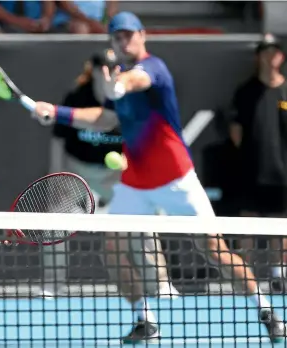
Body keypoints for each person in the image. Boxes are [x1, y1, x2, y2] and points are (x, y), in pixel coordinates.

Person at [32, 11, 287, 343]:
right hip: (135, 182)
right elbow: (105, 118)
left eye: (129, 34)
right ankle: (145, 319)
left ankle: (266, 311)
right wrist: (58, 112)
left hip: (176, 179)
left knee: (214, 248)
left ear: (142, 35)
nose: (124, 40)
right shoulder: (116, 77)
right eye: (117, 36)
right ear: (112, 41)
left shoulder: (153, 69)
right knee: (111, 249)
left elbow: (135, 81)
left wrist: (119, 84)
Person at [41, 49, 178, 301]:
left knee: (144, 222)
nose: (109, 73)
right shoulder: (77, 97)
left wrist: (133, 166)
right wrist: (57, 175)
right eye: (103, 68)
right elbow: (59, 140)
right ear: (92, 71)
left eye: (115, 68)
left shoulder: (127, 99)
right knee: (54, 223)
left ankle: (160, 284)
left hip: (116, 172)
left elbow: (142, 139)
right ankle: (53, 285)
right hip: (78, 168)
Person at [229, 33, 287, 291]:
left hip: (282, 175)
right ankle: (245, 278)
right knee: (247, 226)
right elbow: (236, 130)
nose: (269, 56)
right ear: (258, 56)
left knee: (280, 227)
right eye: (264, 51)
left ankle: (279, 276)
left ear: (281, 56)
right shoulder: (244, 91)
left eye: (273, 51)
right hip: (250, 172)